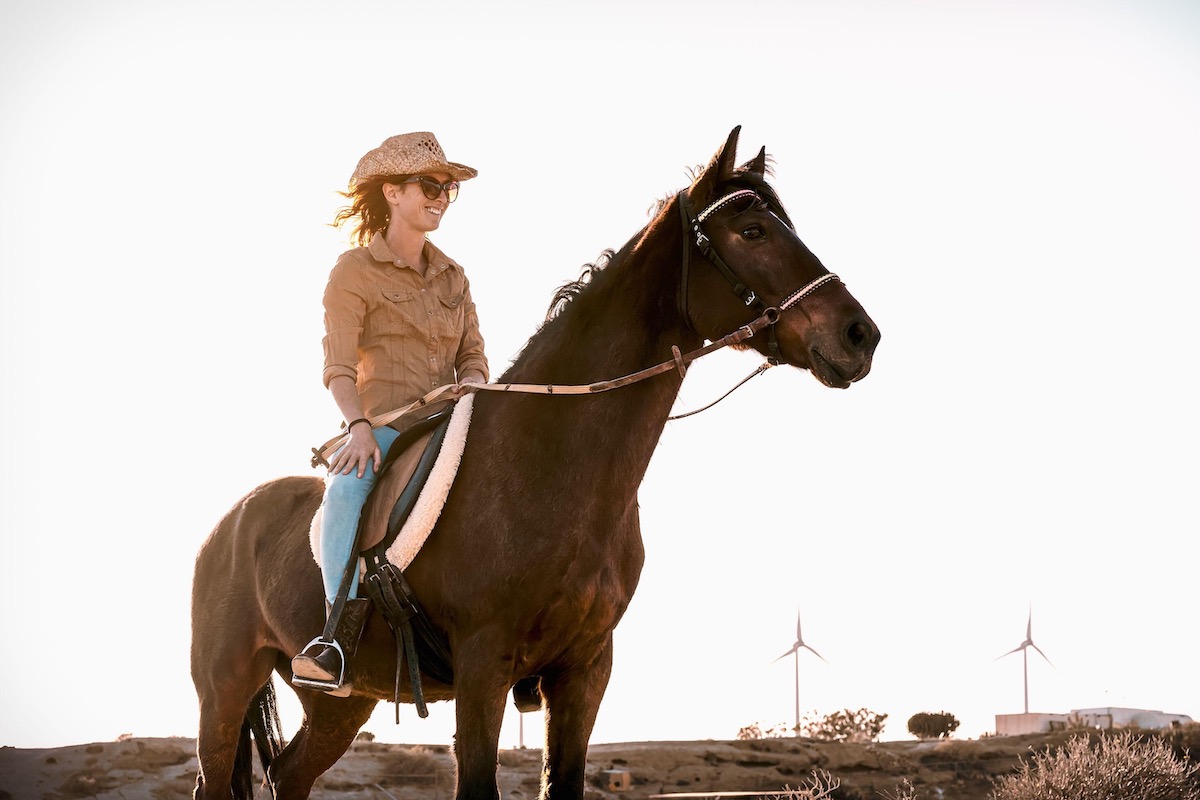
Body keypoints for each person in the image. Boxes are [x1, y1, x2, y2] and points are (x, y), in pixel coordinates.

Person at [291, 132, 489, 694]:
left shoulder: (454, 275)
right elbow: (338, 367)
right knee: (346, 489)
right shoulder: (354, 271)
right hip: (383, 426)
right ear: (393, 192)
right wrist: (357, 427)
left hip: (457, 420)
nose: (443, 197)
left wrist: (473, 384)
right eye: (431, 186)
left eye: (448, 188)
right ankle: (335, 638)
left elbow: (473, 354)